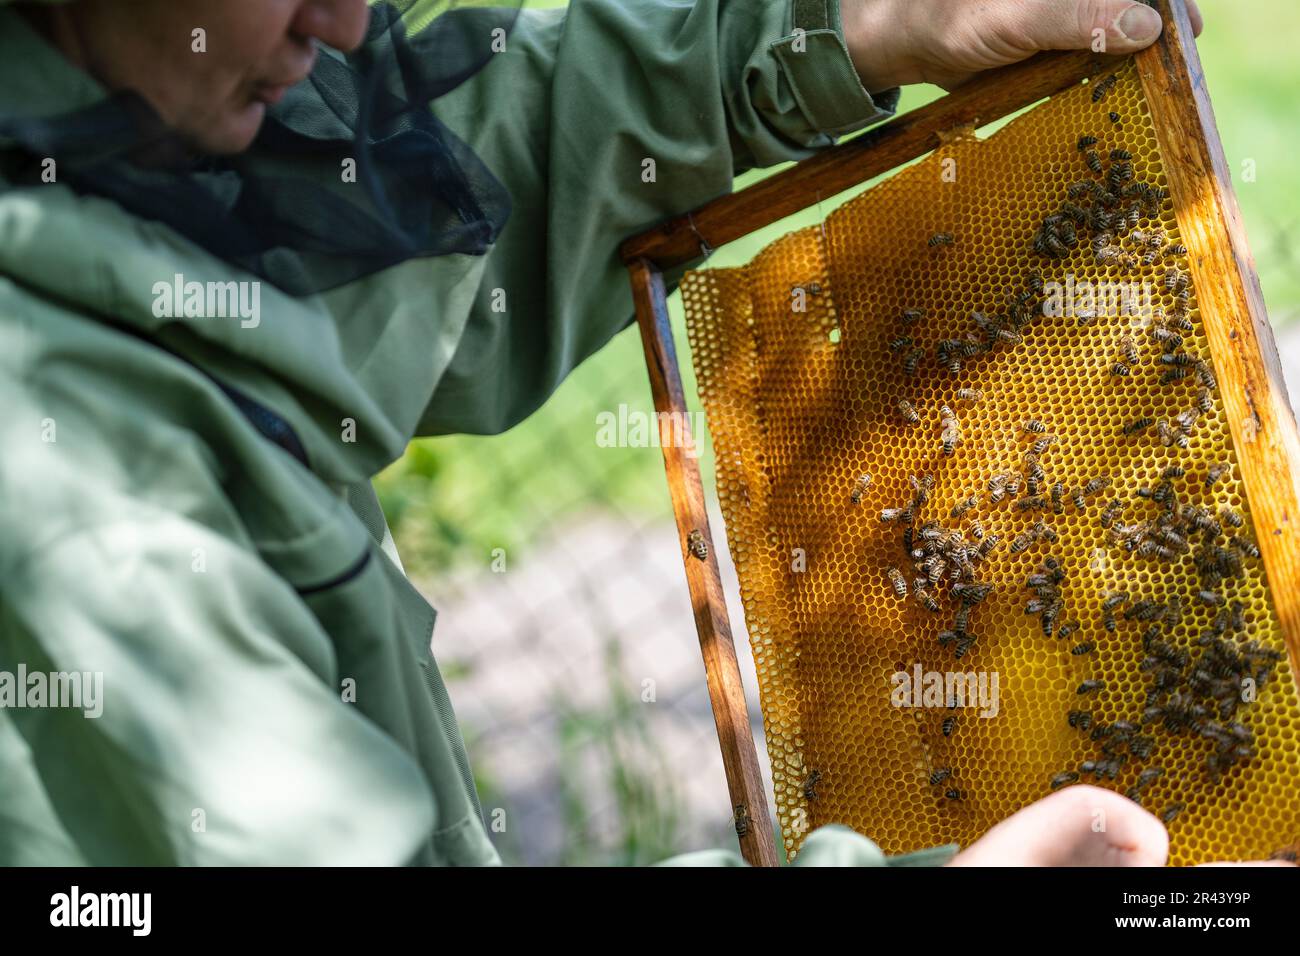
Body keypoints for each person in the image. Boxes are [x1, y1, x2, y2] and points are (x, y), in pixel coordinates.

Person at [11, 0, 1283, 869]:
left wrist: (839, 28)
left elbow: (395, 225)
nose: (345, 22)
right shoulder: (81, 509)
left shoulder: (111, 126)